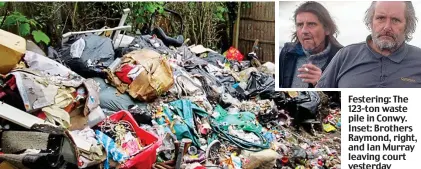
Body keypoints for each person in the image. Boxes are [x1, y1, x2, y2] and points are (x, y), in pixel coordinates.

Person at [317, 1, 421, 88]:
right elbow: (321, 99)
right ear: (371, 22)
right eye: (380, 18)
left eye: (395, 20)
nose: (387, 27)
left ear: (407, 26)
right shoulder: (345, 56)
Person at [279, 1, 343, 88]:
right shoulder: (287, 53)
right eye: (300, 25)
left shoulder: (342, 59)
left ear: (327, 29)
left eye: (311, 24)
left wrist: (323, 84)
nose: (304, 31)